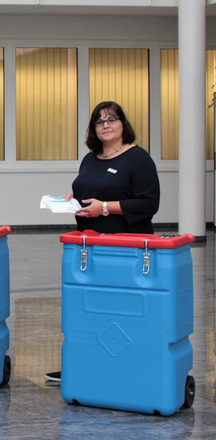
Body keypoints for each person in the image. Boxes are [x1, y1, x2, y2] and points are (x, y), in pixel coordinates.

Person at [45, 100, 159, 383]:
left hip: (126, 250)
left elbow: (149, 203)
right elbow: (85, 191)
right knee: (87, 308)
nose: (105, 125)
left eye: (112, 119)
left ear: (123, 125)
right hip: (89, 248)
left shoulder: (138, 158)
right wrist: (70, 201)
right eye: (100, 121)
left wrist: (106, 207)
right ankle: (82, 365)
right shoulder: (90, 159)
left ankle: (126, 368)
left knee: (123, 310)